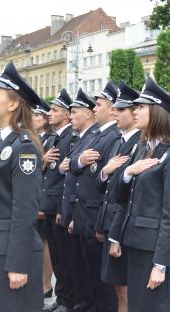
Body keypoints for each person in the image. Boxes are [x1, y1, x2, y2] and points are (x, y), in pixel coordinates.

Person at [0, 61, 44, 312]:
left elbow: (25, 210)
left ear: (13, 104)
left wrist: (18, 264)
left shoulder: (23, 147)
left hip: (13, 254)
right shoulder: (0, 143)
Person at [112, 77, 170, 312]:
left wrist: (161, 264)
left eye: (142, 107)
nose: (136, 111)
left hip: (156, 249)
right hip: (137, 244)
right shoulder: (144, 148)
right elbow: (121, 197)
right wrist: (127, 173)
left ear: (158, 113)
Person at [69, 80, 120, 312]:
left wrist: (101, 223)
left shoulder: (115, 137)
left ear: (112, 109)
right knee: (87, 270)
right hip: (83, 213)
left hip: (96, 213)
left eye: (98, 105)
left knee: (102, 280)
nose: (94, 108)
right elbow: (73, 162)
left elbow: (109, 187)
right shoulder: (95, 134)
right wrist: (79, 161)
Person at [97, 81, 141, 312]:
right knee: (117, 287)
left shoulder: (139, 144)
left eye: (121, 109)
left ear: (135, 113)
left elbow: (130, 193)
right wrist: (105, 171)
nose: (115, 112)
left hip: (123, 224)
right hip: (110, 220)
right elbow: (101, 186)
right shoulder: (118, 142)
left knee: (126, 288)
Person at [58, 87, 98, 311]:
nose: (70, 116)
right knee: (76, 265)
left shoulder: (92, 137)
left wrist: (73, 214)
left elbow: (86, 181)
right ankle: (79, 302)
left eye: (75, 112)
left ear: (88, 113)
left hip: (84, 212)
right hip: (76, 211)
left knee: (85, 267)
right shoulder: (82, 138)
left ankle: (83, 303)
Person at [41, 89, 76, 312]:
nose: (49, 114)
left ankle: (68, 300)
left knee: (65, 257)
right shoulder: (55, 137)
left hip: (59, 206)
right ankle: (62, 297)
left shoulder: (71, 138)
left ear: (65, 115)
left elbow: (68, 177)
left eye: (54, 110)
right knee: (56, 256)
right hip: (49, 204)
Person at [32, 100, 55, 300]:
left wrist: (42, 161)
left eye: (38, 116)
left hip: (43, 197)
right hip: (35, 195)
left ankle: (46, 284)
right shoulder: (36, 137)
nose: (33, 118)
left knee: (45, 242)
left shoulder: (49, 139)